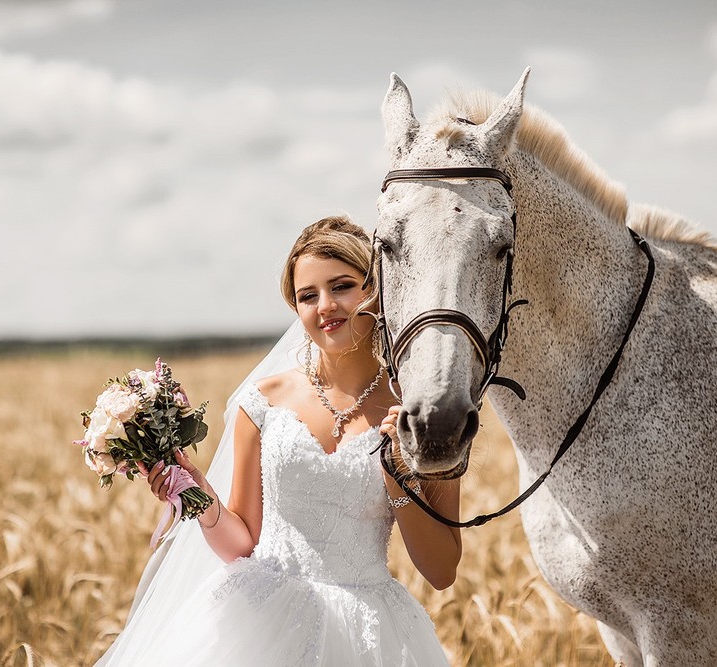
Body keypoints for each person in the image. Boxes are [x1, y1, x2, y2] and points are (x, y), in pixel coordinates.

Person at [95, 216, 461, 666]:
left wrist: (400, 477)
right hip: (257, 625)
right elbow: (242, 543)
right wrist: (200, 498)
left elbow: (443, 571)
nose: (325, 306)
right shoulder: (263, 401)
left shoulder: (420, 409)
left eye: (342, 286)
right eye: (308, 296)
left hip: (369, 636)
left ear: (377, 290)